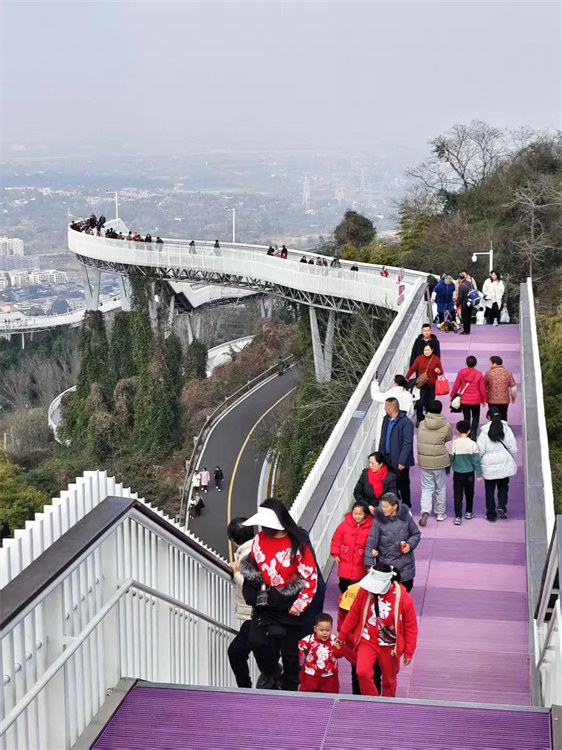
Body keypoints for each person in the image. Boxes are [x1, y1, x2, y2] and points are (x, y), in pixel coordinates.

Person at [240, 499, 318, 692]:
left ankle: (291, 686)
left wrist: (300, 604)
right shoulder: (259, 539)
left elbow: (311, 576)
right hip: (265, 600)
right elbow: (255, 563)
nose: (264, 528)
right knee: (257, 641)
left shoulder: (297, 545)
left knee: (290, 653)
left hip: (287, 602)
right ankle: (271, 672)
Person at [337, 564, 418, 697]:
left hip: (390, 644)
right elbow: (353, 614)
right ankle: (371, 700)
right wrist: (342, 636)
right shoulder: (365, 591)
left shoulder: (404, 598)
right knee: (362, 672)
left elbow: (411, 627)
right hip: (367, 640)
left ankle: (387, 705)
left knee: (389, 680)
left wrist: (409, 651)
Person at [227, 517, 273, 688]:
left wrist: (235, 573)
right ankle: (272, 677)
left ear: (233, 540)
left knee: (236, 652)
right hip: (257, 612)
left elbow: (252, 583)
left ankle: (252, 685)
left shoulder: (246, 555)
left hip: (254, 612)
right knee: (258, 648)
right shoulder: (257, 548)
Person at [364, 493, 420, 592]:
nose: (383, 509)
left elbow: (416, 534)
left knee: (406, 591)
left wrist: (410, 545)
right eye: (382, 506)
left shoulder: (406, 517)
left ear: (394, 506)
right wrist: (369, 566)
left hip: (405, 564)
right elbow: (371, 544)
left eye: (386, 507)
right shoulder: (378, 521)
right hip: (386, 566)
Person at [477, 407, 518, 522]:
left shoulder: (484, 432)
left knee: (489, 490)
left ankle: (491, 514)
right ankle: (502, 506)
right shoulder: (507, 429)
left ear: (488, 417)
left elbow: (480, 450)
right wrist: (513, 461)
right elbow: (513, 448)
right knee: (503, 487)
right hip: (505, 463)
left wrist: (478, 464)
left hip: (489, 466)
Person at [417, 400, 452, 526]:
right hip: (440, 460)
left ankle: (425, 510)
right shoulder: (446, 425)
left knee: (426, 488)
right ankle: (440, 513)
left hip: (425, 460)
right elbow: (448, 439)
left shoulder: (421, 424)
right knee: (440, 488)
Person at [378, 398, 414, 508]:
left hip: (399, 458)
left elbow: (407, 443)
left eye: (386, 406)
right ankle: (395, 505)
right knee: (389, 482)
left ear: (392, 408)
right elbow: (382, 438)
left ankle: (407, 506)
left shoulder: (406, 422)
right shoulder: (386, 420)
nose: (384, 408)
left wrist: (402, 461)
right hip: (387, 457)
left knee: (403, 483)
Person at [330, 502, 374, 593]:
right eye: (355, 514)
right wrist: (335, 554)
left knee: (359, 584)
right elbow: (336, 539)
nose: (357, 516)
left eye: (360, 514)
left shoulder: (371, 527)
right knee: (343, 583)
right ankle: (345, 599)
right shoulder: (344, 525)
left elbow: (373, 541)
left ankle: (356, 602)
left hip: (361, 559)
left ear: (365, 514)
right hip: (345, 558)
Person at [298, 613, 343, 693]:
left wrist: (339, 649)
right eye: (321, 630)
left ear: (332, 629)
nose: (325, 633)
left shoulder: (335, 640)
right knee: (307, 696)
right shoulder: (309, 639)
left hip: (329, 675)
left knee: (331, 696)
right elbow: (299, 650)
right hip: (311, 674)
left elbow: (340, 655)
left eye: (327, 630)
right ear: (315, 629)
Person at [450, 420, 482, 525]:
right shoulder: (473, 444)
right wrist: (479, 474)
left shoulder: (454, 443)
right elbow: (476, 460)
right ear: (469, 431)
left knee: (458, 495)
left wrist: (447, 470)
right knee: (469, 493)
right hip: (469, 473)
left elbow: (451, 458)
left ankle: (458, 516)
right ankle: (469, 511)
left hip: (458, 473)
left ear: (457, 431)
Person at [450, 355, 487, 440]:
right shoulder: (479, 374)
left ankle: (467, 432)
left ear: (466, 363)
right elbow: (482, 388)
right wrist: (484, 399)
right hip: (476, 400)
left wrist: (452, 395)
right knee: (476, 416)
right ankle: (474, 432)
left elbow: (456, 385)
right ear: (476, 363)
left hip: (465, 400)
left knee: (466, 417)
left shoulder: (461, 372)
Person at [406, 344, 444, 426]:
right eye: (425, 350)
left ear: (432, 350)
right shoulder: (419, 358)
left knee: (430, 402)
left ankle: (428, 418)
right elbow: (413, 368)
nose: (426, 352)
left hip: (432, 384)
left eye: (428, 350)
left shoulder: (436, 359)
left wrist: (438, 371)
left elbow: (441, 372)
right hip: (421, 384)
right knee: (420, 402)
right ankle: (419, 419)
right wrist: (406, 378)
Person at [485, 356, 516, 422]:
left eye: (490, 363)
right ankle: (504, 429)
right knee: (503, 416)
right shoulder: (508, 373)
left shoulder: (489, 373)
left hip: (492, 400)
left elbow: (483, 385)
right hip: (504, 400)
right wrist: (513, 397)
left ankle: (493, 429)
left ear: (495, 363)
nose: (489, 364)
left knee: (493, 415)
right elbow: (513, 387)